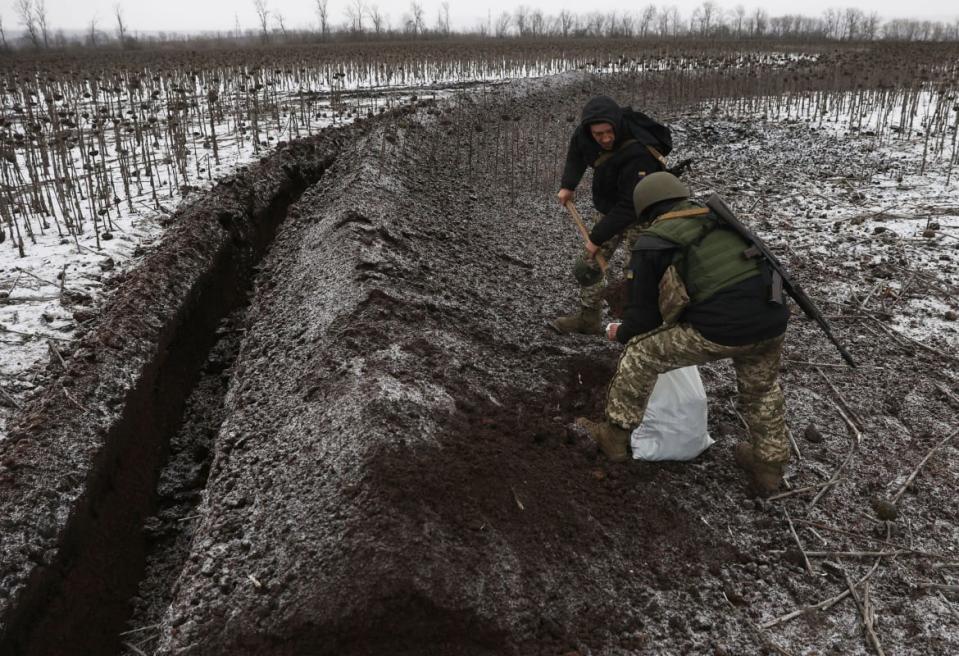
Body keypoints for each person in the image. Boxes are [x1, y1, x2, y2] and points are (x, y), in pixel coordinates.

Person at [575, 172, 791, 496]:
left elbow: (643, 321)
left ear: (645, 211)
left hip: (723, 327)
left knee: (641, 354)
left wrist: (621, 334)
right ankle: (768, 467)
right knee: (761, 390)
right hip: (772, 319)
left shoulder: (652, 241)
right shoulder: (719, 220)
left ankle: (614, 437)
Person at [551, 95, 670, 335]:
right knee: (586, 267)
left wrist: (596, 238)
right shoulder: (585, 133)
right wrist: (568, 185)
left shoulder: (639, 151)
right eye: (598, 135)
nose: (605, 139)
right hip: (610, 206)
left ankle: (638, 329)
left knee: (637, 276)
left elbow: (630, 205)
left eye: (609, 132)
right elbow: (577, 151)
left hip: (642, 213)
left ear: (616, 125)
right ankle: (588, 319)